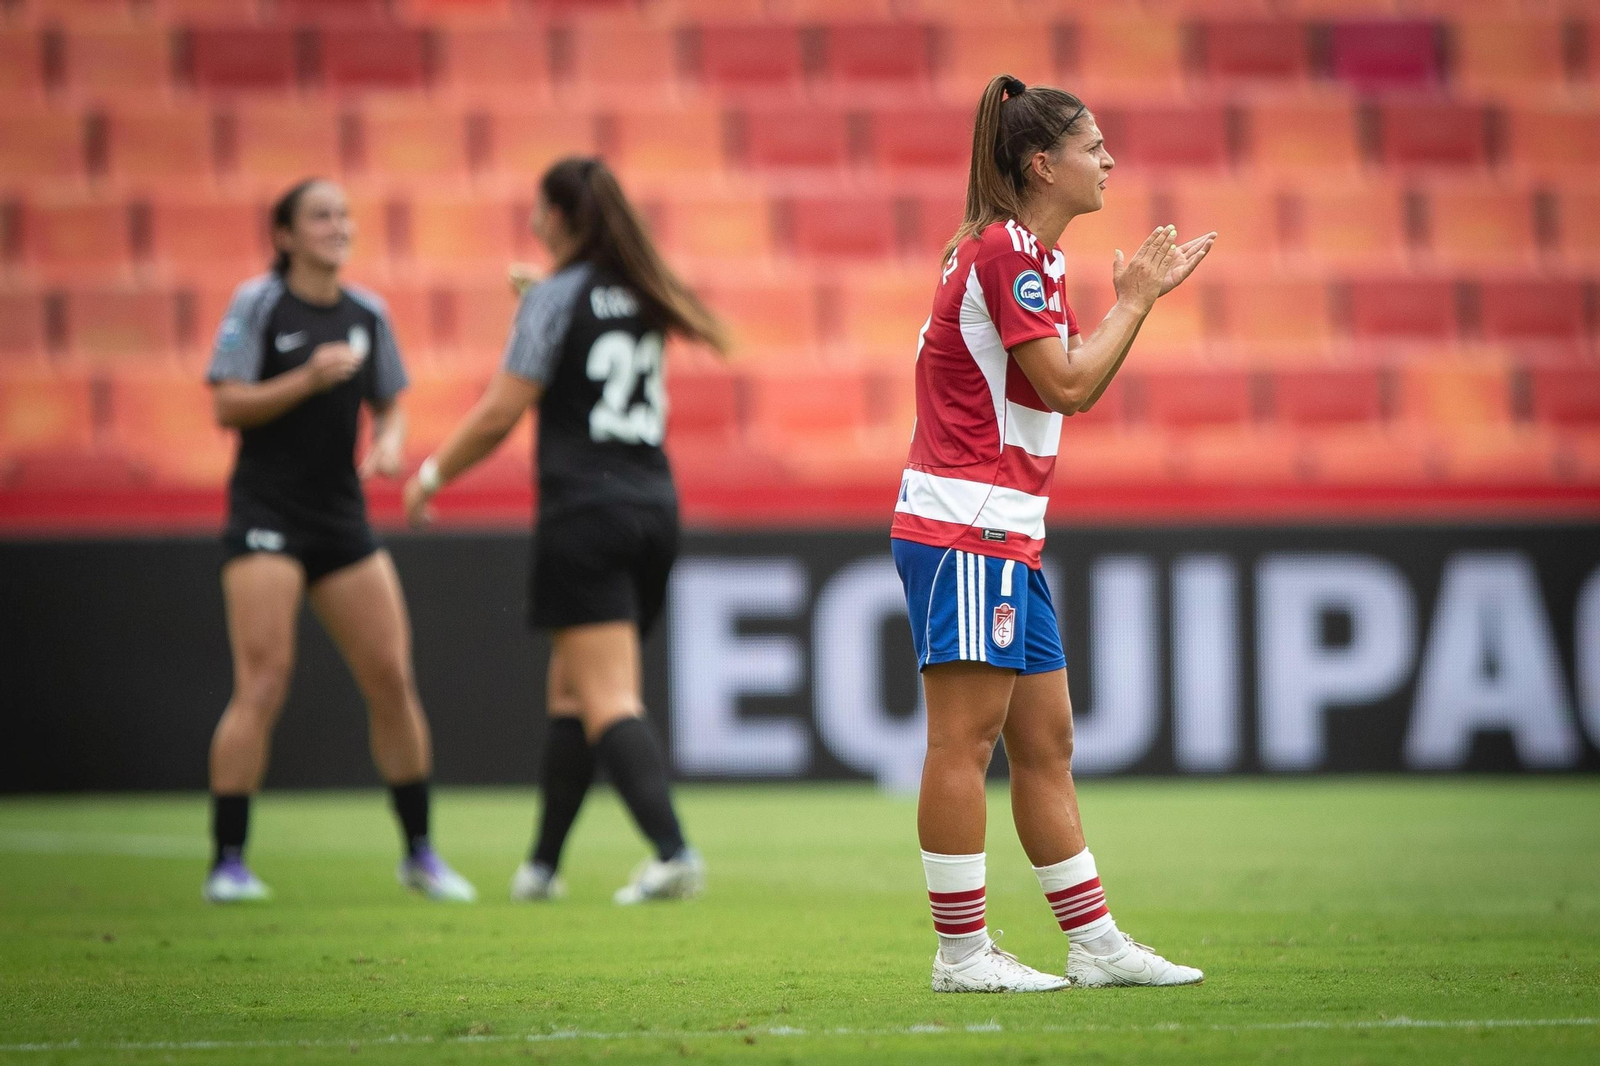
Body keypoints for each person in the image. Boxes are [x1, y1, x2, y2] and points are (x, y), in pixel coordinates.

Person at [891, 75, 1216, 991]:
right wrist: (1136, 301)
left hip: (1005, 529)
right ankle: (962, 955)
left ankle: (1095, 944)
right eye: (1093, 146)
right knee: (965, 741)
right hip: (968, 525)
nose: (1109, 160)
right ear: (1043, 163)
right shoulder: (1007, 252)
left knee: (1047, 743)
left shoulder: (1022, 254)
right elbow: (1070, 384)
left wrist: (1127, 305)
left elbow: (1062, 382)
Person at [403, 157, 726, 905]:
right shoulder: (643, 292)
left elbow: (499, 411)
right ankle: (542, 868)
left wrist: (430, 476)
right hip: (653, 510)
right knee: (573, 693)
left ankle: (673, 851)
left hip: (585, 513)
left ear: (559, 216)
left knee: (607, 696)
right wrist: (541, 297)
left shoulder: (555, 298)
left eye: (538, 209)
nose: (531, 222)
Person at [202, 178, 476, 905]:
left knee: (390, 677)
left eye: (344, 216)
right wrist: (305, 380)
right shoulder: (259, 304)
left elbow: (390, 403)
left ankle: (419, 853)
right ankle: (228, 861)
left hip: (340, 515)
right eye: (320, 216)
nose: (338, 227)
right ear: (285, 235)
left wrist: (389, 441)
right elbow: (227, 403)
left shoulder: (367, 313)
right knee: (263, 681)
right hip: (267, 512)